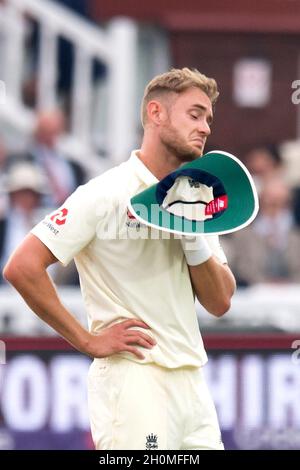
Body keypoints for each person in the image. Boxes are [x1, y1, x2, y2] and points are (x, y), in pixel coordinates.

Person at [3, 68, 236, 450]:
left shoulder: (196, 196)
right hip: (134, 380)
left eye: (209, 118)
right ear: (156, 113)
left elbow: (220, 300)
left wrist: (192, 236)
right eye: (195, 114)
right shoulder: (107, 192)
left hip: (192, 382)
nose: (205, 127)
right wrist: (87, 340)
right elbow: (21, 267)